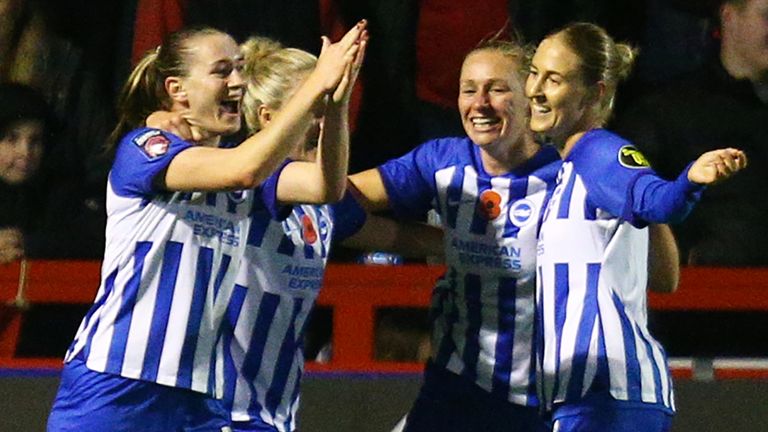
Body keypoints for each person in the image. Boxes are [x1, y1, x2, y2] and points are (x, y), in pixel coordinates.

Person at [46, 23, 366, 431]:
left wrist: (334, 102)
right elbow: (243, 171)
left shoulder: (242, 165)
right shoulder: (147, 149)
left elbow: (326, 185)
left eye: (239, 69)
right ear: (178, 90)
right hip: (117, 381)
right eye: (221, 72)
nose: (238, 83)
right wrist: (314, 82)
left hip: (200, 398)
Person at [525, 22, 747, 432]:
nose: (534, 89)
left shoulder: (600, 153)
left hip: (606, 398)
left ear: (597, 92)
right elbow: (664, 278)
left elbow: (657, 200)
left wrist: (688, 181)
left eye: (553, 79)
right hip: (591, 398)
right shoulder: (570, 173)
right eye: (533, 72)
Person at [350, 38, 561, 432]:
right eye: (468, 89)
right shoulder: (442, 161)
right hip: (455, 387)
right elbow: (341, 205)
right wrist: (432, 241)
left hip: (541, 399)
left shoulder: (568, 178)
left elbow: (662, 276)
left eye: (497, 89)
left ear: (531, 98)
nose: (479, 103)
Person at [614, 0, 768, 266]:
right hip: (699, 298)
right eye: (767, 16)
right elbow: (628, 202)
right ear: (729, 16)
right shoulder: (664, 113)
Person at [0, 83, 49, 264]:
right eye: (12, 139)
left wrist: (24, 244)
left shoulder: (58, 196)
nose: (25, 152)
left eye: (35, 140)